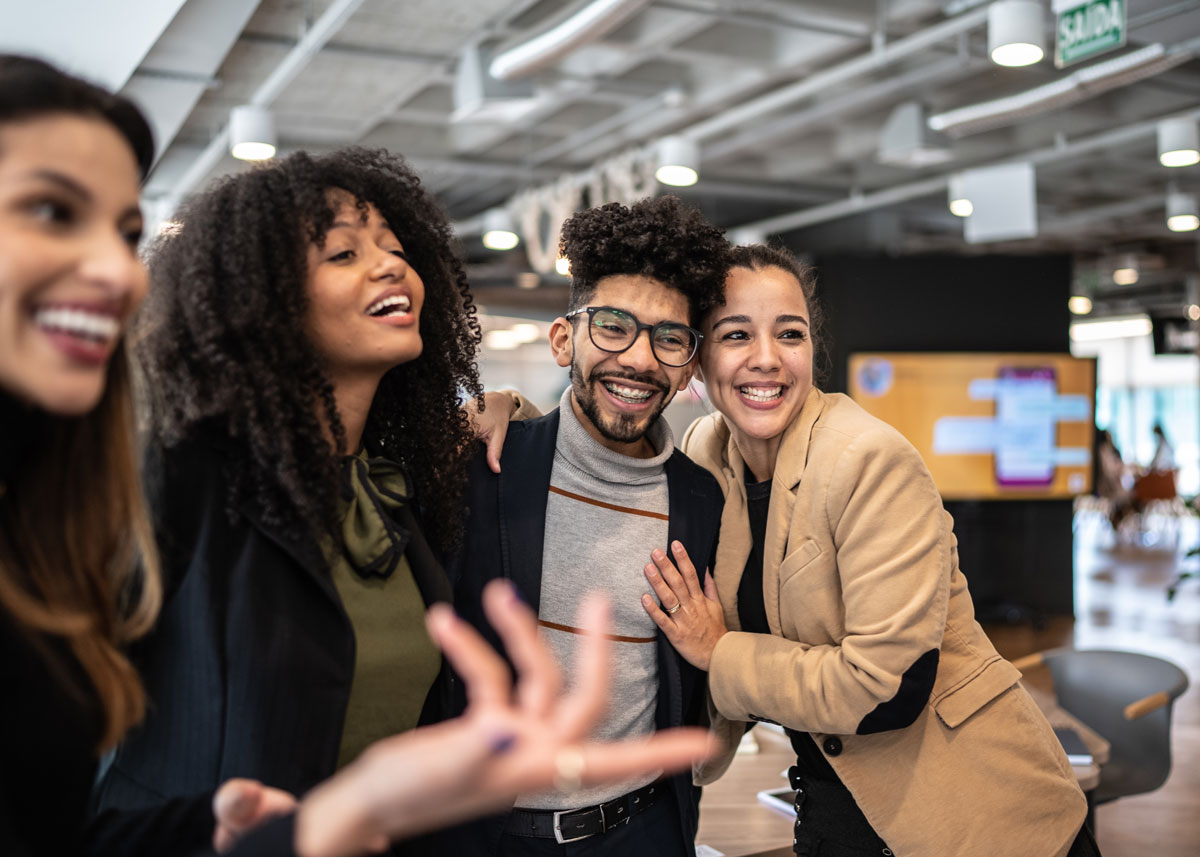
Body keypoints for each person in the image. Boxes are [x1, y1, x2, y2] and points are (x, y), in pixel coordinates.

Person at [42, 129, 710, 852]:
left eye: (395, 247)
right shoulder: (178, 476)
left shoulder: (394, 492)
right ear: (262, 296)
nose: (390, 264)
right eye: (344, 252)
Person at [480, 243, 1099, 857]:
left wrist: (719, 651)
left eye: (790, 334)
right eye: (736, 335)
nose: (767, 360)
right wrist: (508, 408)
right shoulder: (706, 451)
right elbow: (609, 452)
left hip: (971, 807)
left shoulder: (868, 461)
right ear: (696, 362)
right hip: (833, 796)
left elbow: (885, 689)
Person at [445, 197, 727, 857]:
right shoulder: (484, 465)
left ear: (688, 366)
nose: (639, 358)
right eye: (613, 326)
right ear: (563, 339)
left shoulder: (701, 502)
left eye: (669, 338)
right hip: (490, 831)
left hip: (643, 830)